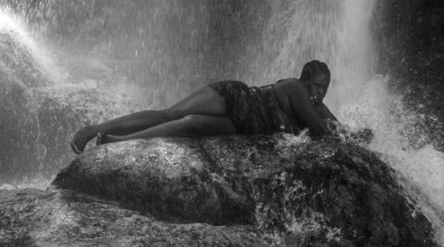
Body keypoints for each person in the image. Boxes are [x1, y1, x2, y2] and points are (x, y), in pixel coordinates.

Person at [70, 59, 340, 153]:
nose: (321, 93)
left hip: (242, 126)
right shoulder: (295, 87)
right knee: (172, 113)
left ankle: (115, 141)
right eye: (317, 86)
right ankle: (94, 129)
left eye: (325, 89)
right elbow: (321, 129)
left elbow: (337, 131)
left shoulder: (315, 105)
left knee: (189, 126)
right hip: (235, 98)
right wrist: (327, 118)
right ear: (305, 81)